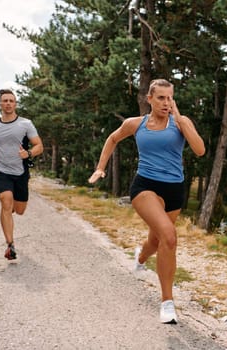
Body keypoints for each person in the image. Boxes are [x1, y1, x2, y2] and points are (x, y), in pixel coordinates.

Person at [88, 79, 205, 324]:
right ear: (149, 99)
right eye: (161, 98)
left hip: (174, 189)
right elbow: (112, 139)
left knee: (156, 240)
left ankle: (140, 257)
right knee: (169, 236)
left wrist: (182, 120)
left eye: (170, 97)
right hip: (145, 186)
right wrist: (101, 168)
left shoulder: (181, 123)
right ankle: (167, 303)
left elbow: (200, 150)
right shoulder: (136, 123)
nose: (166, 102)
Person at [0, 89, 43, 260]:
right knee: (6, 202)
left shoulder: (25, 124)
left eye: (11, 101)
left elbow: (39, 146)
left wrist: (28, 154)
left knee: (19, 210)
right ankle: (10, 245)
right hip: (1, 171)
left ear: (15, 104)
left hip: (20, 172)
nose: (7, 103)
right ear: (0, 104)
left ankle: (10, 208)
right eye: (4, 100)